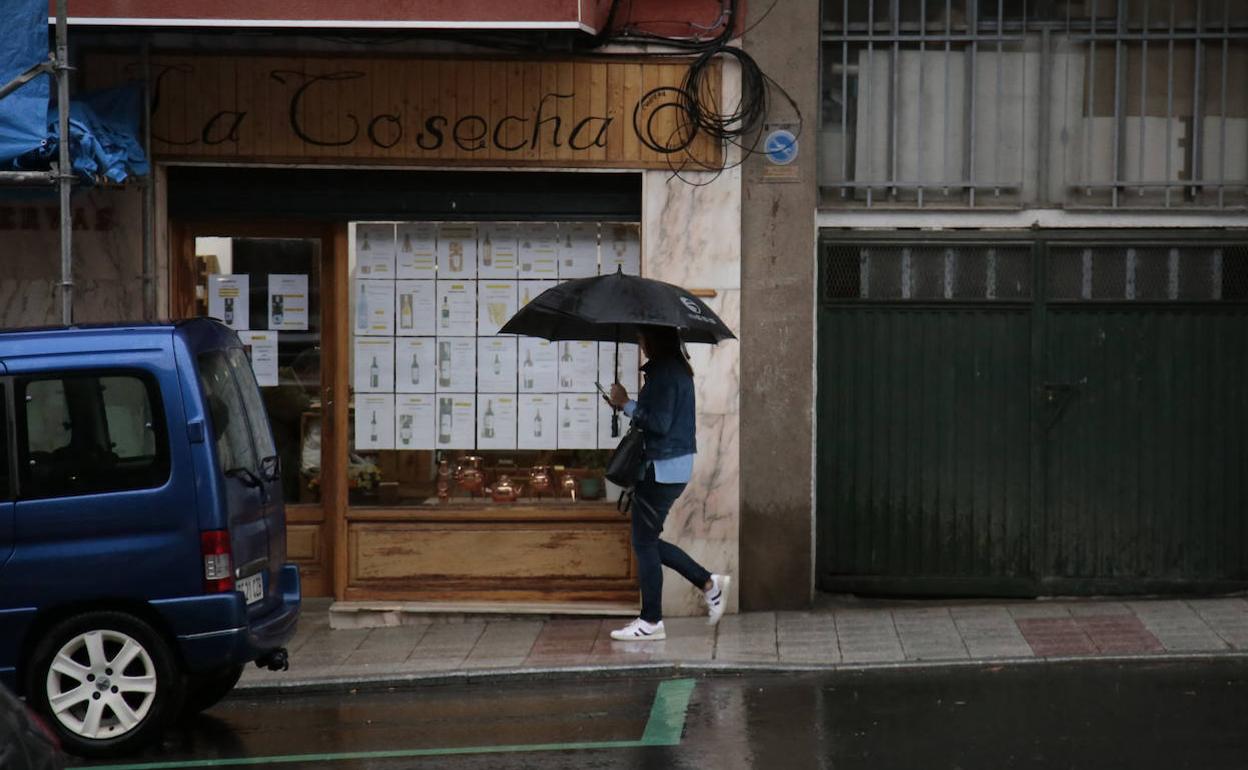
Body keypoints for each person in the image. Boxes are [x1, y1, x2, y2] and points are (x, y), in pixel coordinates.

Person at [606, 325, 731, 641]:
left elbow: (659, 423)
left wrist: (626, 404)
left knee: (644, 543)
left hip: (661, 468)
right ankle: (708, 585)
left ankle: (651, 620)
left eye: (641, 338)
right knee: (647, 541)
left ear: (654, 340)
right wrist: (628, 407)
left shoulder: (666, 374)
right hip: (670, 466)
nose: (640, 343)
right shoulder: (673, 371)